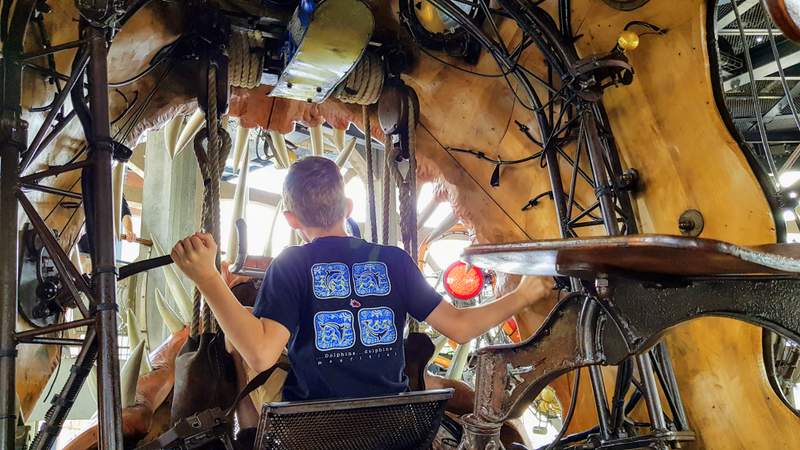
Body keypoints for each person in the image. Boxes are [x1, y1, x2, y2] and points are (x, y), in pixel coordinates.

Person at [171, 156, 553, 402]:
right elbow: (461, 326)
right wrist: (525, 292)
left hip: (315, 429)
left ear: (291, 219)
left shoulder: (290, 265)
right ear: (347, 208)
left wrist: (208, 278)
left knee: (242, 377)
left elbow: (261, 353)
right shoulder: (393, 260)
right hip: (392, 426)